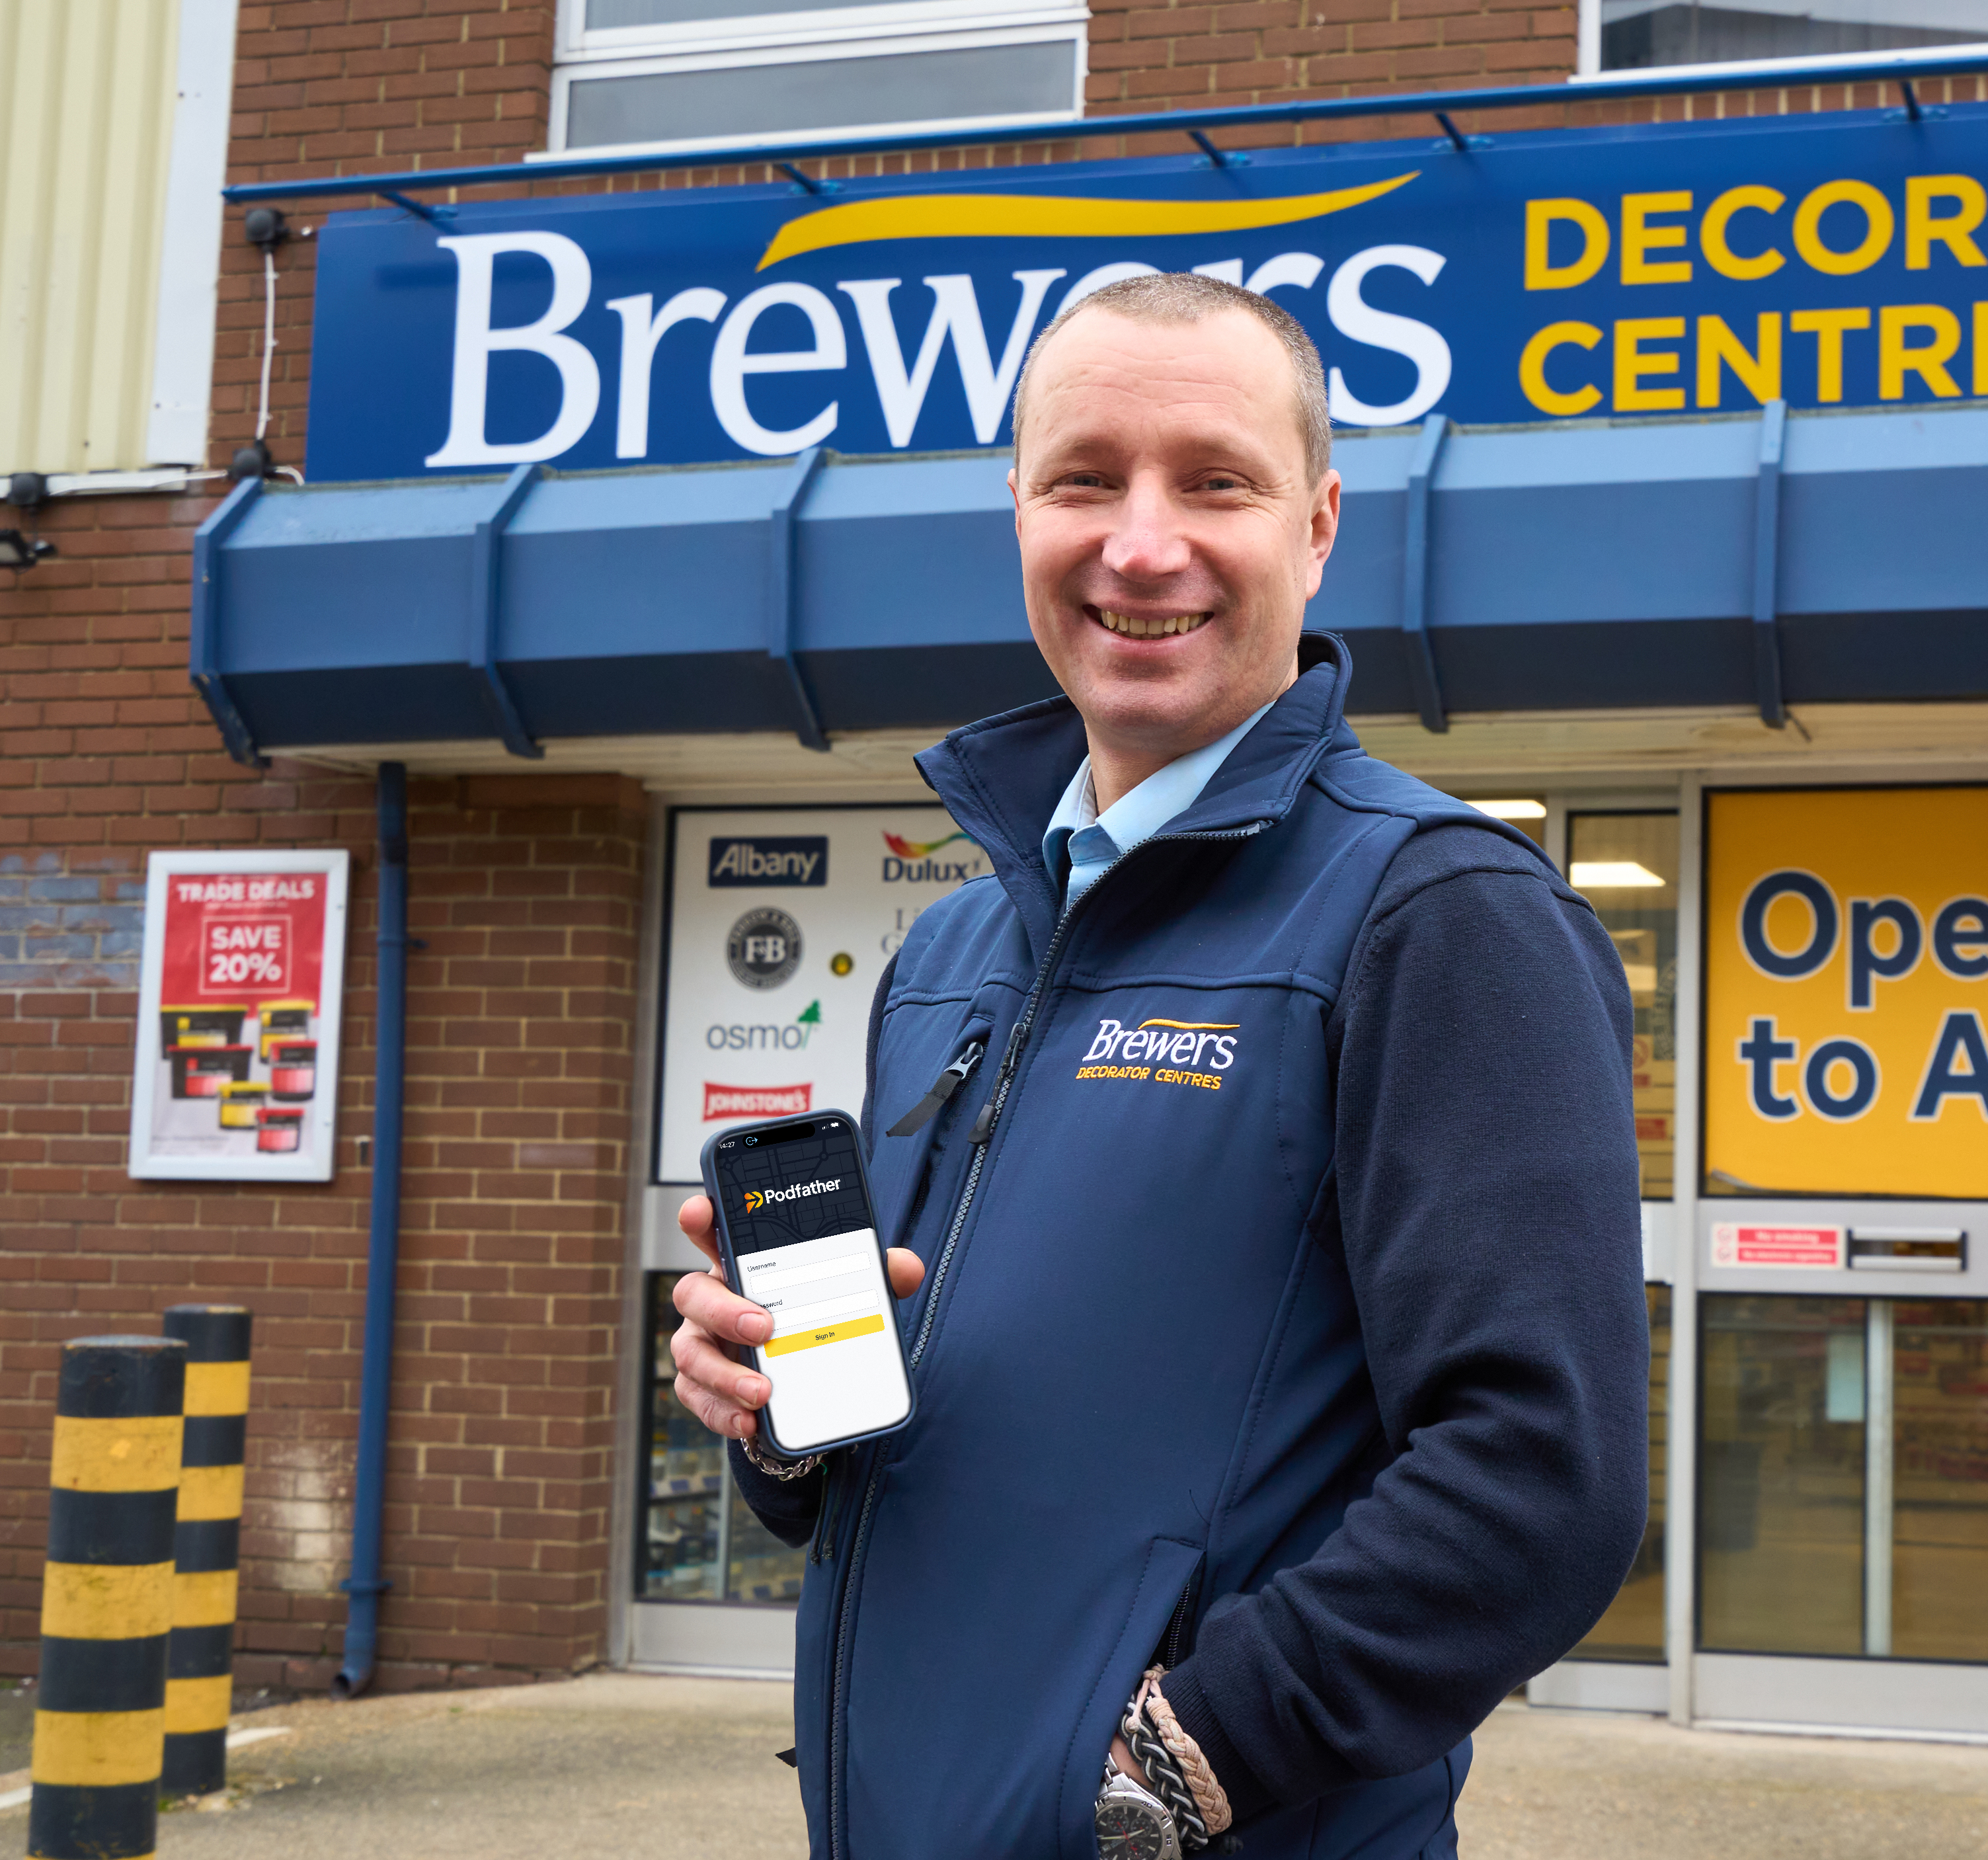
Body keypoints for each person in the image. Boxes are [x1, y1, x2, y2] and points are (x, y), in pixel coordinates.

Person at [665, 270, 1650, 1860]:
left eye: (1213, 482)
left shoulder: (1441, 912)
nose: (1139, 543)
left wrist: (1174, 1766)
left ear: (1315, 527)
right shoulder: (951, 951)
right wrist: (782, 1413)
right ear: (1018, 511)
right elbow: (916, 1439)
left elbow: (1540, 1478)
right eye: (1083, 479)